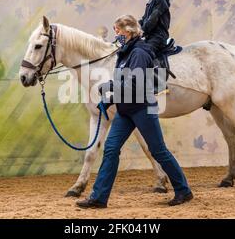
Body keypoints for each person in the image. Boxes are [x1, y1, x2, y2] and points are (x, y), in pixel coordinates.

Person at [76, 15, 193, 209]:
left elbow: (135, 83)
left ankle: (183, 190)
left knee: (158, 150)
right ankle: (99, 197)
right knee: (111, 149)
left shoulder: (139, 52)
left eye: (118, 31)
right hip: (125, 109)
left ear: (129, 31)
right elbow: (125, 82)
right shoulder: (124, 52)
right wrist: (111, 99)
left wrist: (110, 87)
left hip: (142, 107)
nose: (116, 35)